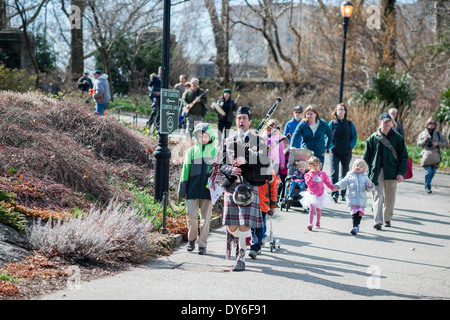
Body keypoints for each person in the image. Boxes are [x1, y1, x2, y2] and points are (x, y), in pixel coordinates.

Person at [218, 106, 271, 271]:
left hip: (249, 185)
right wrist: (230, 170)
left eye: (244, 118)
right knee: (232, 226)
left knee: (243, 224)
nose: (241, 121)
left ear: (250, 121)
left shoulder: (259, 140)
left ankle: (241, 255)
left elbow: (265, 163)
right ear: (236, 121)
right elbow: (220, 164)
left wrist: (246, 159)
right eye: (239, 118)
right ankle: (237, 242)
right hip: (232, 185)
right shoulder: (229, 139)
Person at [363, 112, 408, 230]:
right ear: (380, 123)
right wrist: (366, 173)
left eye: (389, 122)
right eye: (385, 122)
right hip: (377, 171)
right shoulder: (372, 138)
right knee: (377, 195)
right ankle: (377, 221)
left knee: (390, 197)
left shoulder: (398, 138)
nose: (387, 124)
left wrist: (401, 173)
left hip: (392, 171)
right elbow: (366, 158)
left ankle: (387, 218)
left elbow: (404, 157)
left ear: (392, 123)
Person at [178, 123, 217, 255]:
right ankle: (191, 239)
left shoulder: (215, 152)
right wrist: (182, 188)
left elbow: (219, 172)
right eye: (200, 136)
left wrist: (217, 188)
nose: (202, 138)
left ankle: (202, 245)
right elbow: (185, 170)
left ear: (210, 136)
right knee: (191, 216)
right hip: (193, 188)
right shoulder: (191, 151)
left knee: (206, 219)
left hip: (208, 191)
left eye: (205, 135)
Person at [333, 159, 374, 235]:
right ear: (353, 166)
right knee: (355, 213)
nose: (358, 167)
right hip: (353, 198)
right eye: (357, 165)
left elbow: (369, 187)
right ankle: (354, 226)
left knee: (360, 213)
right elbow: (343, 182)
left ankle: (357, 225)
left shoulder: (365, 177)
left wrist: (370, 185)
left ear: (363, 169)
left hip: (362, 199)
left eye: (361, 166)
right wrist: (338, 186)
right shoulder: (350, 175)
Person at [328, 103, 357, 203]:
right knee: (334, 173)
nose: (340, 111)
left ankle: (343, 194)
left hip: (346, 152)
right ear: (336, 111)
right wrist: (331, 147)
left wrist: (350, 146)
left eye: (342, 109)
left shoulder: (349, 124)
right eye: (339, 109)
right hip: (334, 152)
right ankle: (334, 194)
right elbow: (326, 136)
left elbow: (354, 137)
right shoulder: (332, 123)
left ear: (345, 112)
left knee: (345, 173)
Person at [249, 170, 278, 259]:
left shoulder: (270, 173)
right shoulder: (250, 170)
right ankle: (256, 244)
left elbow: (273, 190)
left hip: (263, 204)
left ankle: (256, 247)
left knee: (258, 227)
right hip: (250, 201)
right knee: (251, 227)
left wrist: (273, 206)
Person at [300, 156, 334, 231]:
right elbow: (308, 183)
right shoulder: (307, 174)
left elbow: (327, 182)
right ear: (310, 166)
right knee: (312, 209)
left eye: (317, 165)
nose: (316, 167)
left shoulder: (323, 174)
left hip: (320, 194)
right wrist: (312, 174)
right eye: (314, 165)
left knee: (318, 210)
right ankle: (310, 223)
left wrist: (332, 187)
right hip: (312, 194)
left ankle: (318, 222)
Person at [417, 117, 448, 193]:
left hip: (435, 156)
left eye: (433, 123)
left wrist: (437, 144)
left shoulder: (438, 134)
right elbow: (418, 144)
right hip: (426, 155)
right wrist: (424, 140)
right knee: (428, 172)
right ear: (427, 124)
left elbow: (445, 143)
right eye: (430, 123)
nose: (432, 124)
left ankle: (427, 183)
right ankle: (427, 187)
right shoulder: (423, 133)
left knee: (433, 172)